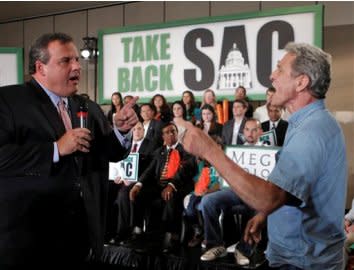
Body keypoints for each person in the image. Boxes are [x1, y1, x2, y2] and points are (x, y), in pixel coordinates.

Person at [180, 42, 347, 269]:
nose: (271, 76)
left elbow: (268, 197)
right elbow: (293, 192)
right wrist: (264, 215)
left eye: (279, 69)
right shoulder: (307, 123)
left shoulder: (311, 131)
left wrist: (210, 150)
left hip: (301, 263)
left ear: (301, 82)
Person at [0, 33, 139, 268]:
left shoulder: (87, 107)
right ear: (40, 67)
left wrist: (120, 132)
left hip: (81, 238)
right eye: (65, 61)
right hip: (29, 241)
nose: (76, 66)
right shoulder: (9, 101)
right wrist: (55, 149)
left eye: (77, 60)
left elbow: (109, 152)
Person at [199, 118, 266, 262]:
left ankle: (243, 250)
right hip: (236, 190)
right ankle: (215, 245)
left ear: (260, 132)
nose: (250, 133)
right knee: (207, 201)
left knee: (261, 208)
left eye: (254, 130)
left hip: (257, 194)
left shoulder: (268, 151)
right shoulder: (235, 151)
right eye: (247, 129)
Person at [129, 122, 197, 252]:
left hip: (178, 185)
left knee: (170, 196)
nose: (171, 134)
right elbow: (149, 170)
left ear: (177, 133)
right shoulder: (159, 152)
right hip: (159, 185)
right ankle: (138, 231)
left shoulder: (185, 151)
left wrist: (171, 185)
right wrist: (138, 184)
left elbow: (184, 172)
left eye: (173, 131)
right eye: (167, 132)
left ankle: (172, 236)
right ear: (163, 136)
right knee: (139, 194)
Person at [108, 121, 157, 245]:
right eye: (134, 129)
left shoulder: (151, 145)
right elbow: (119, 163)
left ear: (144, 131)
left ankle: (125, 232)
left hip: (141, 181)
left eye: (140, 129)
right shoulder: (127, 145)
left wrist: (135, 180)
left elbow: (150, 168)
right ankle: (107, 231)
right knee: (107, 190)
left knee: (124, 194)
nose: (137, 131)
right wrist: (118, 176)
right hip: (124, 180)